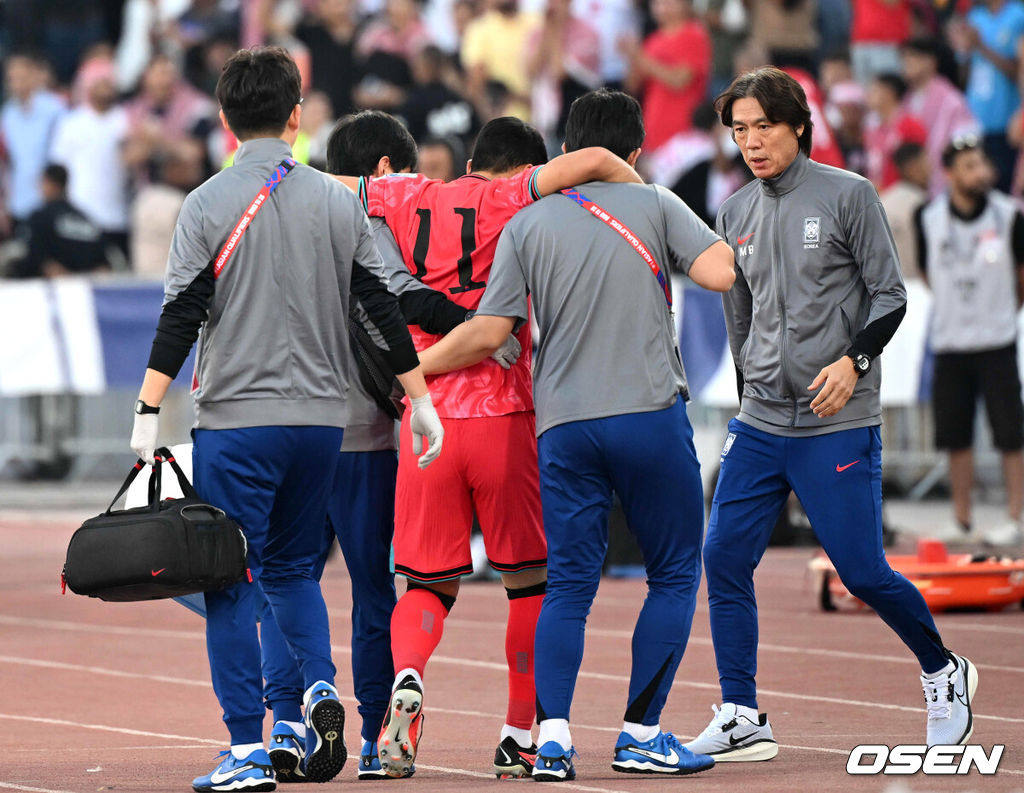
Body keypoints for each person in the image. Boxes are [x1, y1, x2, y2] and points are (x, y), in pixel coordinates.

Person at [127, 46, 444, 792]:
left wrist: (147, 409)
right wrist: (421, 399)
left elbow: (181, 317)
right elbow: (380, 305)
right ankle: (320, 687)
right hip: (321, 425)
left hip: (238, 420)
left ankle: (245, 746)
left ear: (226, 119)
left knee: (231, 581)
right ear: (297, 115)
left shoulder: (204, 202)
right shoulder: (340, 202)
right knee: (295, 568)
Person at [415, 87, 735, 781]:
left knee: (567, 586)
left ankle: (552, 740)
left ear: (564, 152)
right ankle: (640, 733)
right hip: (648, 414)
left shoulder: (529, 225)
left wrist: (409, 374)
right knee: (676, 571)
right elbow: (719, 272)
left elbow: (490, 332)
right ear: (637, 153)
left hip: (562, 427)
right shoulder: (654, 204)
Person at [683, 66, 978, 762]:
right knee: (723, 555)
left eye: (763, 127)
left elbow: (890, 295)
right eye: (740, 130)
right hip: (760, 422)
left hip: (836, 420)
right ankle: (740, 709)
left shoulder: (849, 195)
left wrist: (855, 363)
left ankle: (942, 670)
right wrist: (754, 378)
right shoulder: (732, 211)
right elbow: (740, 314)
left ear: (798, 127)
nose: (751, 142)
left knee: (863, 570)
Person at [336, 115, 644, 778]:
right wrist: (638, 188)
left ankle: (409, 676)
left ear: (472, 158)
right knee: (529, 583)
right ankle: (515, 733)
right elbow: (587, 160)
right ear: (520, 171)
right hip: (507, 415)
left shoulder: (410, 194)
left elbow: (329, 185)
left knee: (422, 580)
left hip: (424, 416)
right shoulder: (514, 198)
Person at [258, 109, 520, 783]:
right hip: (362, 436)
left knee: (287, 582)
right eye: (407, 173)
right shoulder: (365, 217)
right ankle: (375, 734)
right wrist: (483, 326)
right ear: (383, 171)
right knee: (377, 590)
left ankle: (285, 724)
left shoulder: (279, 214)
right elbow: (397, 300)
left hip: (284, 428)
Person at [915, 135, 1024, 547]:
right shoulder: (929, 216)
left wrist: (1000, 311)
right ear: (949, 174)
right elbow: (927, 274)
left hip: (997, 339)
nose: (979, 172)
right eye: (969, 166)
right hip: (950, 341)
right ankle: (961, 519)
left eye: (982, 164)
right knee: (955, 435)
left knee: (1010, 433)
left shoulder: (1009, 214)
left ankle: (1015, 517)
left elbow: (1020, 277)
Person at [949, 0, 1024, 193]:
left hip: (1006, 121)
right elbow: (964, 72)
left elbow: (1017, 71)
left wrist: (980, 45)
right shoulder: (976, 16)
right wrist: (963, 48)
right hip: (976, 119)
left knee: (1006, 188)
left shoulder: (1017, 15)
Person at [620, 0, 711, 154]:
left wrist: (640, 57)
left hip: (684, 134)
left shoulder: (694, 34)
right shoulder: (652, 40)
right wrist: (632, 57)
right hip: (653, 133)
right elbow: (632, 86)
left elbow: (679, 81)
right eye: (658, 2)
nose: (663, 6)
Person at [0, 53, 65, 237]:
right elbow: (5, 162)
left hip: (49, 201)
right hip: (18, 202)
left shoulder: (55, 109)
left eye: (22, 77)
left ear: (36, 75)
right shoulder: (8, 114)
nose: (16, 83)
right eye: (11, 78)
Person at [15, 164, 110, 278]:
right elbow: (103, 265)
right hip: (88, 289)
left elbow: (34, 257)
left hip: (53, 289)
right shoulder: (85, 219)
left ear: (49, 183)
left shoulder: (40, 218)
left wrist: (65, 278)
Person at [863, 72, 927, 191]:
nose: (869, 95)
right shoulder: (873, 130)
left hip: (905, 194)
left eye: (875, 90)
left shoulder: (910, 125)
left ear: (889, 92)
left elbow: (919, 166)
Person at [880, 141, 930, 279]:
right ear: (912, 167)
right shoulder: (919, 203)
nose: (929, 170)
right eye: (925, 163)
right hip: (912, 285)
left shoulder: (883, 200)